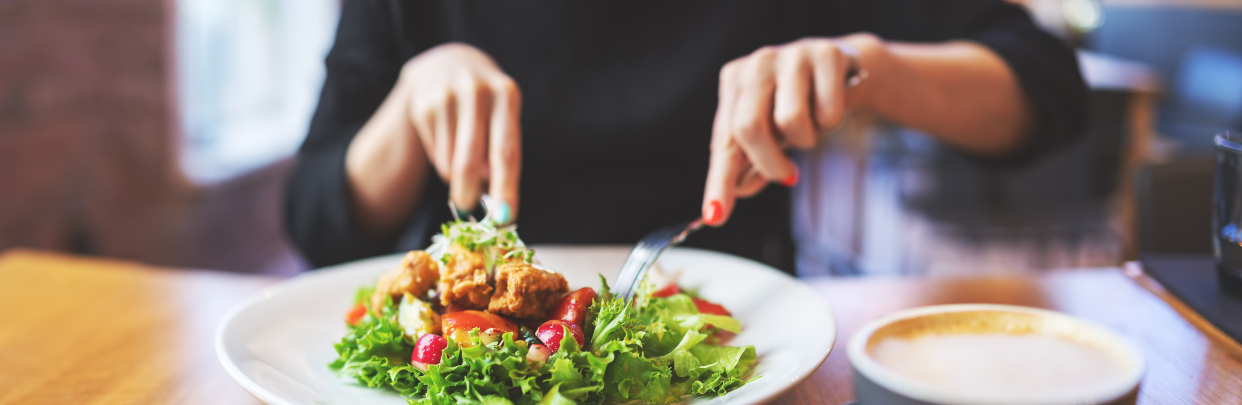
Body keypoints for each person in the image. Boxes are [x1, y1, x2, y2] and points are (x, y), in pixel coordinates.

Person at [284, 0, 1087, 272]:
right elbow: (316, 218)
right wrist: (410, 98)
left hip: (732, 363)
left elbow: (1046, 91)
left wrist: (867, 69)